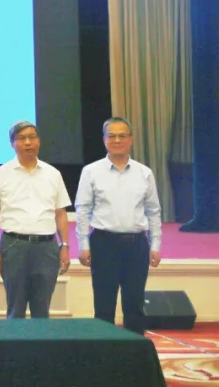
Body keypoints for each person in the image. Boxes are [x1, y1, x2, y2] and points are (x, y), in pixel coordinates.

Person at [75, 117, 162, 334]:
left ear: (130, 139)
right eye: (111, 135)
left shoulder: (144, 173)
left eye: (122, 135)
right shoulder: (91, 171)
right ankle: (103, 351)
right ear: (104, 140)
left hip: (136, 245)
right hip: (104, 243)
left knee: (134, 305)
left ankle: (134, 351)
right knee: (103, 305)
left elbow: (153, 211)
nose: (117, 140)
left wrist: (155, 245)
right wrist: (83, 244)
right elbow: (83, 210)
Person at [0, 120, 71, 319]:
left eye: (32, 137)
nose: (27, 142)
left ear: (39, 141)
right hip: (14, 246)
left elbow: (60, 213)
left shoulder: (53, 174)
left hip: (47, 248)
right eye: (21, 138)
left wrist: (65, 245)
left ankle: (41, 342)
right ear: (12, 143)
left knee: (42, 310)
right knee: (15, 309)